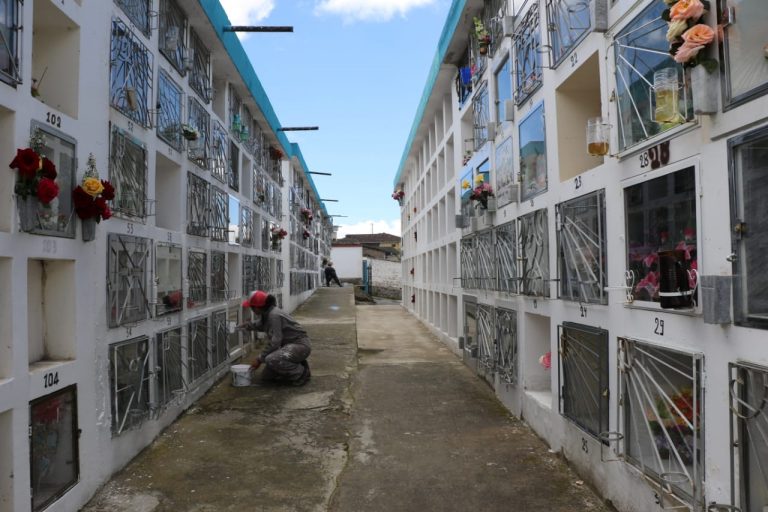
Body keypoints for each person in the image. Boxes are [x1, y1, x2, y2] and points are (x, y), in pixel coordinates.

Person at [237, 290, 311, 386]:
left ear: (258, 307)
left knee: (271, 359)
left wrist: (259, 359)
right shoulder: (268, 313)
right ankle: (297, 363)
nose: (252, 310)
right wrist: (246, 326)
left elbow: (275, 342)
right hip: (291, 346)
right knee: (266, 377)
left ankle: (301, 373)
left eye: (252, 307)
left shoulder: (273, 315)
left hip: (300, 345)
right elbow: (260, 325)